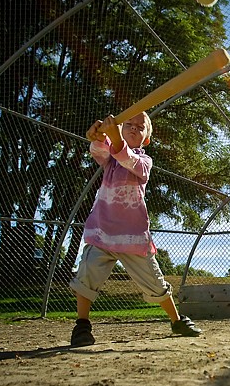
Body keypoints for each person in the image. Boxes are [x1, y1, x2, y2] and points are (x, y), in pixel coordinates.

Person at [69, 111, 201, 347]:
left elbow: (128, 159)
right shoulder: (109, 158)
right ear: (119, 129)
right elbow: (99, 150)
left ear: (146, 139)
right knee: (87, 272)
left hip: (132, 236)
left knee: (155, 281)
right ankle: (82, 325)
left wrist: (113, 137)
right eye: (128, 124)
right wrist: (97, 135)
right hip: (102, 232)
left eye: (140, 128)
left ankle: (176, 320)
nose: (133, 128)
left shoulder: (144, 162)